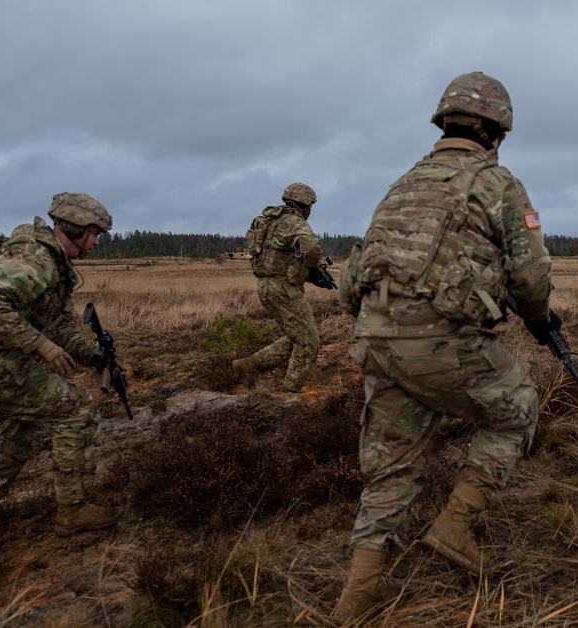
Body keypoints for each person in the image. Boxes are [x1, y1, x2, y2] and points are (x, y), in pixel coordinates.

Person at [333, 71, 556, 623]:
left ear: (443, 122)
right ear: (498, 131)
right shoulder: (500, 183)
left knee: (390, 467)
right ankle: (455, 526)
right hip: (441, 346)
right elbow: (530, 279)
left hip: (376, 341)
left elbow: (349, 283)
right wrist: (538, 319)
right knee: (518, 407)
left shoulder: (404, 184)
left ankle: (355, 601)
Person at [0, 192, 123, 576]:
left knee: (5, 445)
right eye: (95, 234)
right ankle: (74, 509)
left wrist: (88, 355)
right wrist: (42, 348)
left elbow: (57, 323)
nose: (97, 242)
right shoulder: (37, 259)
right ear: (76, 228)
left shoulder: (49, 260)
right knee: (77, 409)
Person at [233, 183, 323, 393]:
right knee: (308, 343)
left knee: (297, 336)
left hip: (265, 286)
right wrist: (311, 266)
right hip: (284, 289)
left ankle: (249, 365)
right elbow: (311, 247)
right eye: (310, 206)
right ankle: (291, 392)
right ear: (305, 204)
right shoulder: (294, 221)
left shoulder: (267, 221)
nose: (310, 211)